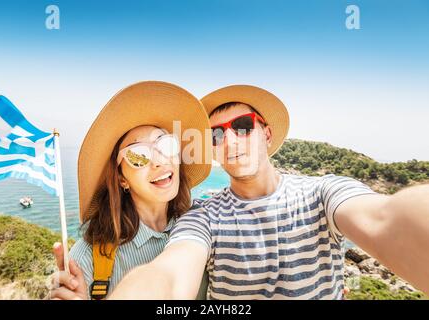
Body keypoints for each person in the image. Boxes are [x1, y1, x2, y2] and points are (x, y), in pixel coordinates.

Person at [109, 84, 429, 300]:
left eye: (244, 126)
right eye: (217, 135)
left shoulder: (322, 192)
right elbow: (171, 271)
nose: (231, 141)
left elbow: (384, 218)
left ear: (267, 133)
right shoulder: (203, 217)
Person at [50, 81, 212, 300]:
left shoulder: (205, 225)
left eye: (165, 144)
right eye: (138, 155)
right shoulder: (88, 258)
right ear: (121, 178)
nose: (158, 161)